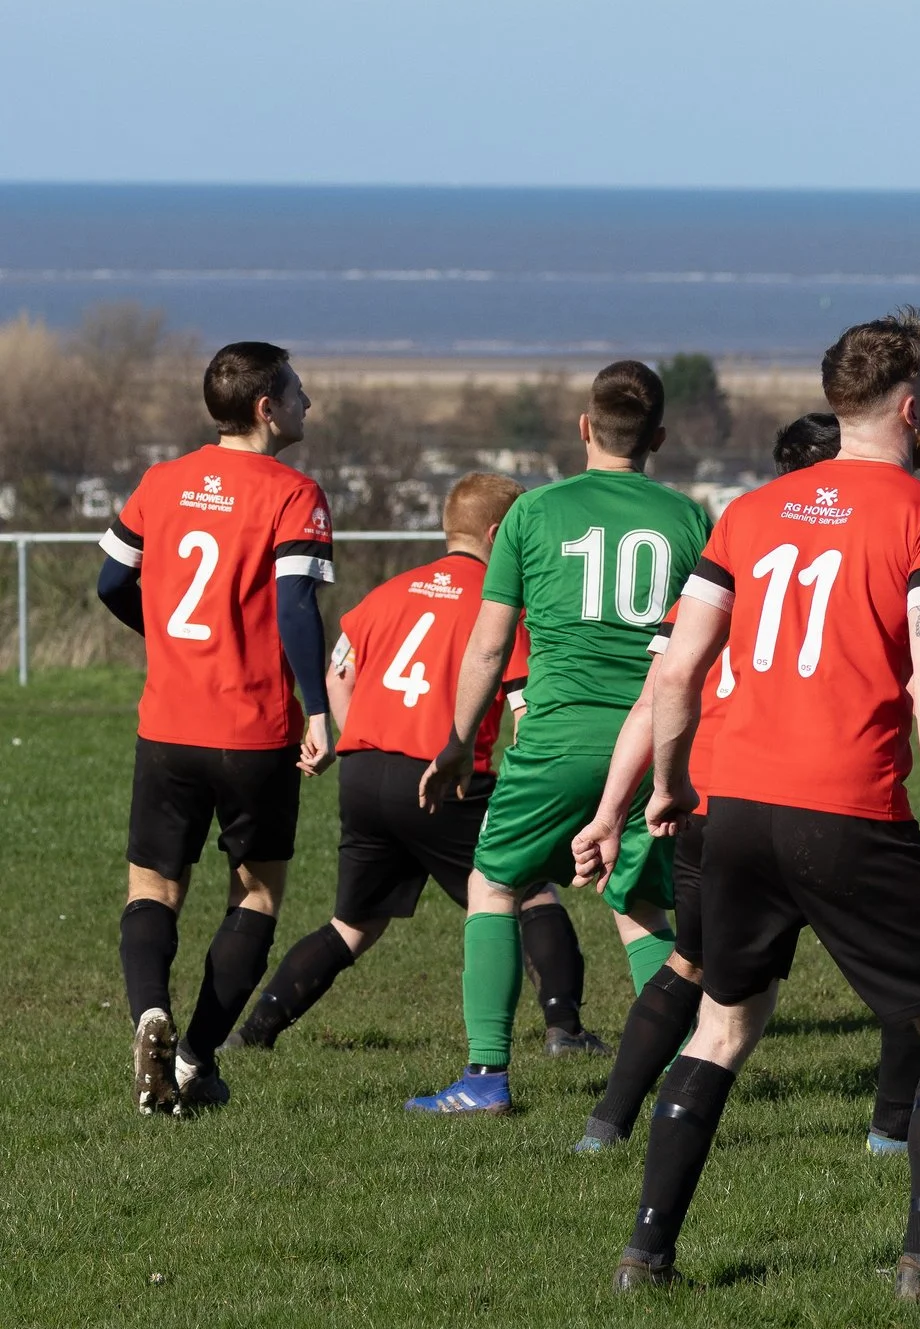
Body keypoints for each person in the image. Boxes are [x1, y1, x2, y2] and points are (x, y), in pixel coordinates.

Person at [614, 309, 920, 1304]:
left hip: (735, 809)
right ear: (903, 401)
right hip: (841, 806)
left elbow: (677, 673)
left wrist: (670, 784)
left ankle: (647, 1254)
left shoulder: (751, 512)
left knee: (724, 1025)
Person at [568, 412, 920, 1157]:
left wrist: (613, 809)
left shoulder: (738, 549)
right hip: (825, 804)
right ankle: (891, 1138)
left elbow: (662, 688)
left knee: (698, 974)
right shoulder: (869, 548)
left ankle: (609, 1135)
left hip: (716, 807)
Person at [406, 361, 711, 1115]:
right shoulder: (691, 519)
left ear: (584, 428)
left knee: (494, 883)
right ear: (660, 439)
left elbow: (487, 645)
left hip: (556, 737)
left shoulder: (532, 514)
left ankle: (484, 1079)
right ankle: (674, 1080)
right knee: (636, 900)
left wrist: (455, 740)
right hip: (650, 743)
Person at [228, 475, 593, 1050]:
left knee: (354, 923)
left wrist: (363, 739)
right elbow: (526, 705)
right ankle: (565, 1029)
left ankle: (253, 1033)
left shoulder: (388, 593)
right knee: (529, 890)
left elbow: (337, 674)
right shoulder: (501, 606)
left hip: (366, 774)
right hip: (442, 779)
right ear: (500, 534)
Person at [98, 341, 335, 1114]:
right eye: (298, 391)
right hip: (254, 730)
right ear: (266, 408)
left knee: (153, 889)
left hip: (167, 724)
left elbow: (110, 580)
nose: (308, 403)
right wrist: (322, 709)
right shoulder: (294, 494)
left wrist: (167, 635)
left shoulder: (162, 482)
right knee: (257, 895)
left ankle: (150, 1017)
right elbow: (297, 607)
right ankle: (195, 1058)